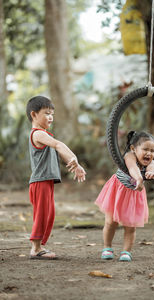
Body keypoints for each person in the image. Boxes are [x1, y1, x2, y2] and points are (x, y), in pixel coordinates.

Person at [26, 95, 86, 260]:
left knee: (49, 214)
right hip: (40, 182)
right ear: (34, 115)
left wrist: (73, 162)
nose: (50, 116)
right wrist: (76, 161)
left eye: (52, 113)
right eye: (46, 113)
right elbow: (59, 145)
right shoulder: (38, 134)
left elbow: (59, 149)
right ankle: (36, 248)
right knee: (42, 214)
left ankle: (39, 246)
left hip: (45, 181)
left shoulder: (45, 135)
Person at [95, 131, 154, 262]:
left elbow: (153, 169)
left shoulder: (150, 162)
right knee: (111, 222)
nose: (149, 153)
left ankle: (126, 252)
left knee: (131, 226)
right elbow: (133, 168)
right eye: (145, 149)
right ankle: (107, 247)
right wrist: (139, 178)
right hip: (118, 191)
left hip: (134, 195)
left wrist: (152, 172)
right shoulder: (129, 156)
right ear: (134, 149)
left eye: (152, 150)